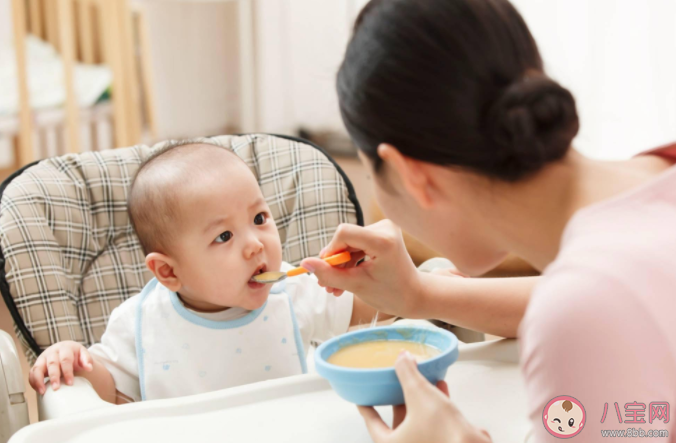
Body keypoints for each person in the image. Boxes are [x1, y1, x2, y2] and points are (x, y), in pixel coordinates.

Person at [301, 0, 676, 441]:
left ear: (409, 174)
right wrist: (420, 294)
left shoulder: (584, 309)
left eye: (371, 175)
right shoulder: (654, 184)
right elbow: (620, 297)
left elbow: (591, 307)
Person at [28, 141, 382, 403]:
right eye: (224, 236)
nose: (255, 244)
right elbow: (110, 392)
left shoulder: (291, 292)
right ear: (168, 272)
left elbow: (372, 307)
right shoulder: (139, 322)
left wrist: (388, 275)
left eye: (259, 219)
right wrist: (74, 359)